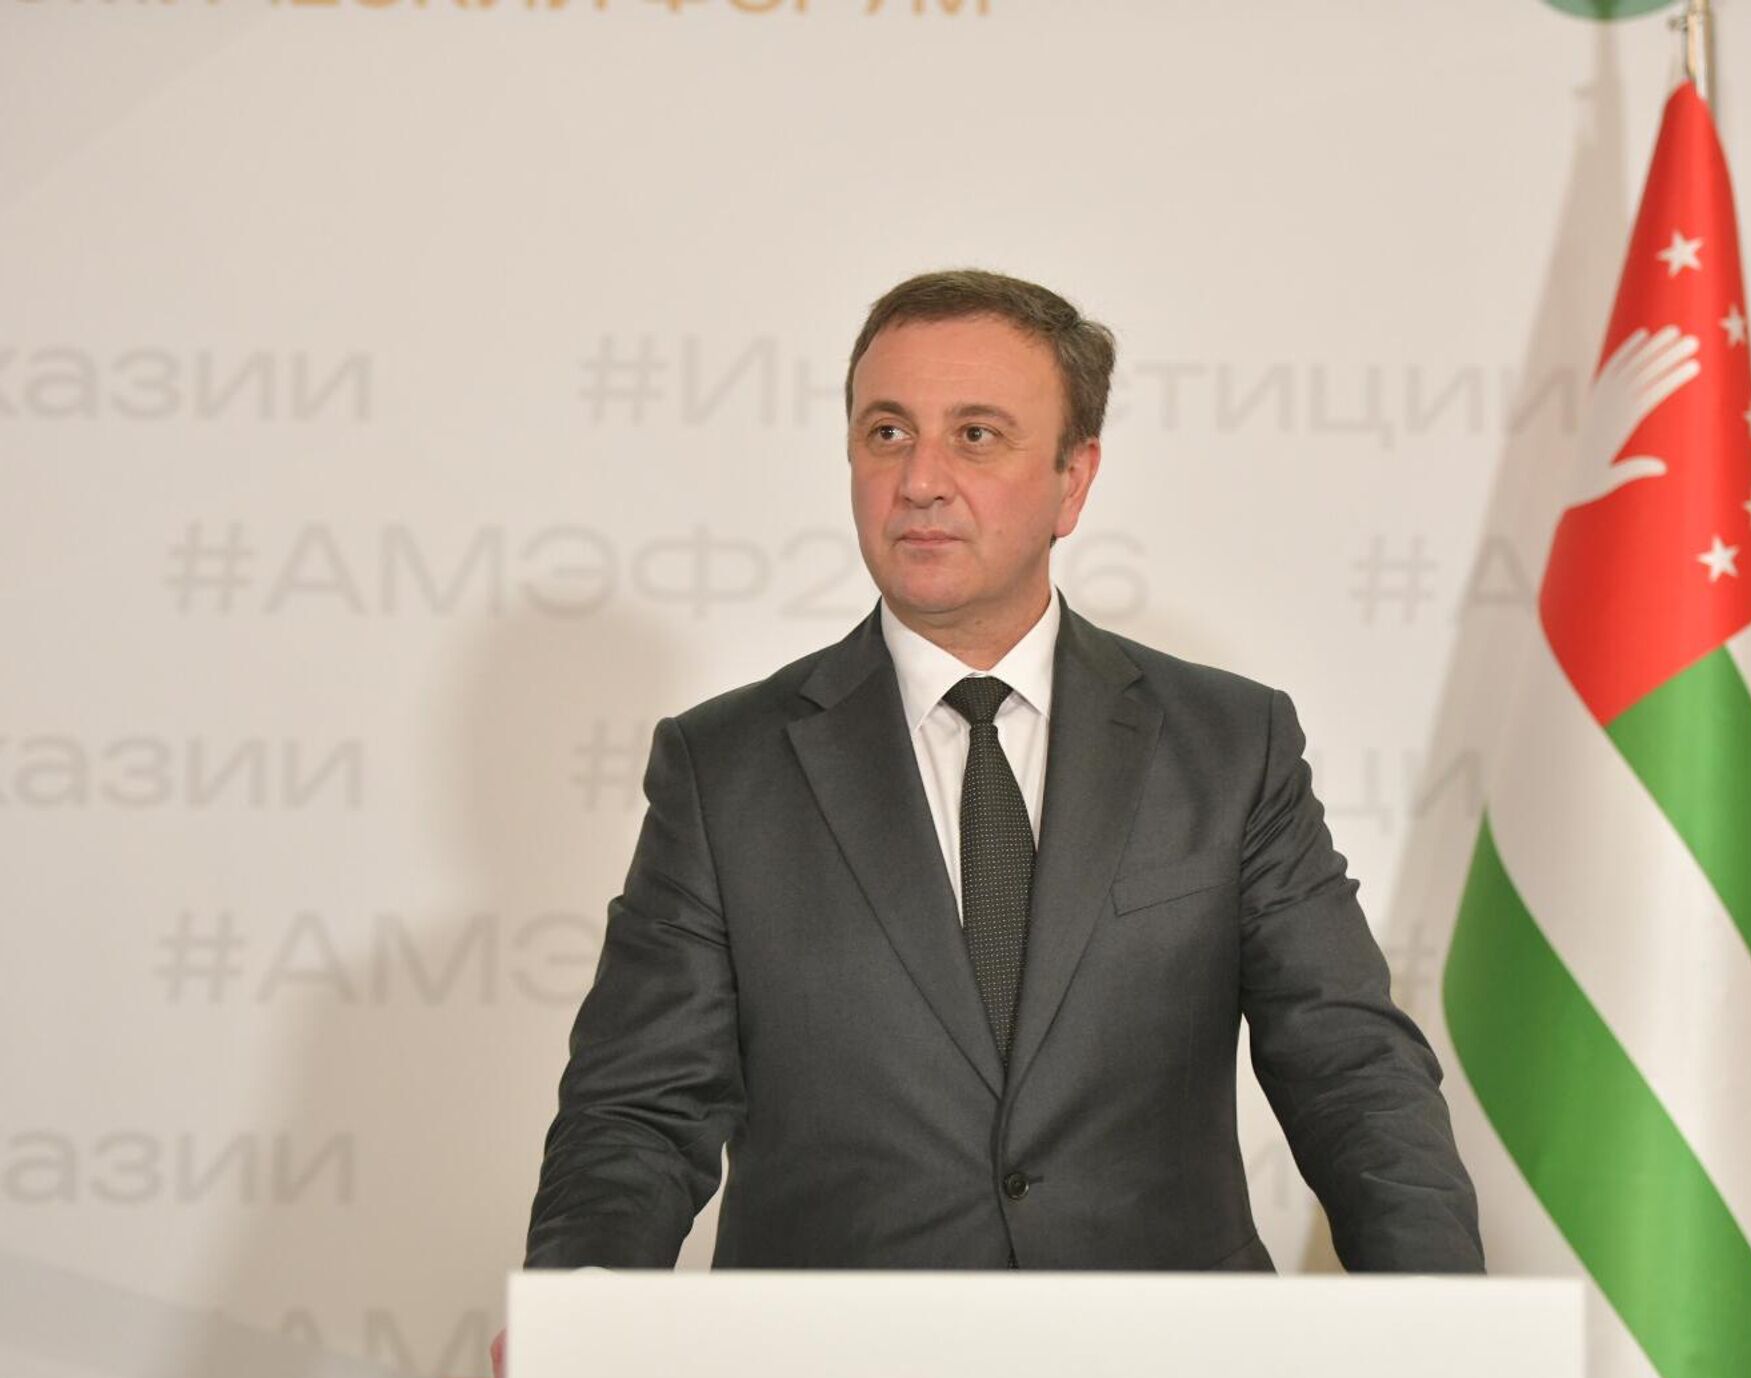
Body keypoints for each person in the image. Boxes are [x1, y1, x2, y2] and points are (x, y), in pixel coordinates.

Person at [521, 269, 1482, 1279]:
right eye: (887, 432)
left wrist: (1447, 1316)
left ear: (1075, 480)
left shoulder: (1232, 746)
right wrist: (575, 1308)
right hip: (835, 1363)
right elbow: (637, 1114)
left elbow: (1351, 1072)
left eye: (976, 435)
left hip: (1166, 1361)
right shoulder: (725, 768)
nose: (920, 479)